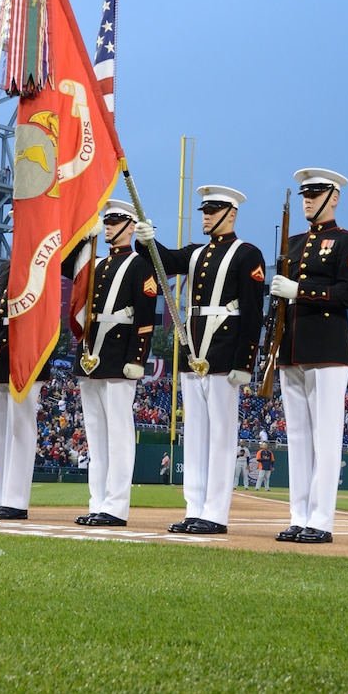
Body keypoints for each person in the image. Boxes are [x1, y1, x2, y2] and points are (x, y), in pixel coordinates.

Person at [135, 185, 265, 535]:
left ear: (231, 214)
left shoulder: (247, 254)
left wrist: (245, 361)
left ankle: (216, 513)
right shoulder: (195, 253)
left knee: (221, 436)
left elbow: (253, 313)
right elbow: (164, 262)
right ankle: (194, 507)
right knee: (194, 436)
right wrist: (145, 240)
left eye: (213, 210)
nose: (206, 216)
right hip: (194, 354)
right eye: (204, 211)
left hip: (225, 354)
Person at [271, 168, 348, 544]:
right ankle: (299, 515)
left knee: (326, 437)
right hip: (293, 347)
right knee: (297, 437)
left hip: (327, 347)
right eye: (304, 194)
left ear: (334, 197)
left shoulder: (347, 241)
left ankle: (321, 520)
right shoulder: (292, 244)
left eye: (315, 193)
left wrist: (300, 289)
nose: (307, 199)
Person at [64, 200, 157, 528]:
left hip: (119, 358)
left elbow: (145, 320)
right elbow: (64, 265)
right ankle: (97, 502)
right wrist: (80, 237)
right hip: (91, 355)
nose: (107, 227)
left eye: (114, 222)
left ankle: (116, 506)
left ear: (130, 227)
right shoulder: (97, 263)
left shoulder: (139, 265)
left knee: (118, 434)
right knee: (96, 436)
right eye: (106, 221)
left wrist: (137, 359)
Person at [0, 255, 51, 520]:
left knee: (21, 426)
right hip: (1, 354)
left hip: (26, 351)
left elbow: (35, 318)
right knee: (1, 431)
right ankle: (1, 497)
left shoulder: (40, 263)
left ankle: (16, 500)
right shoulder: (5, 267)